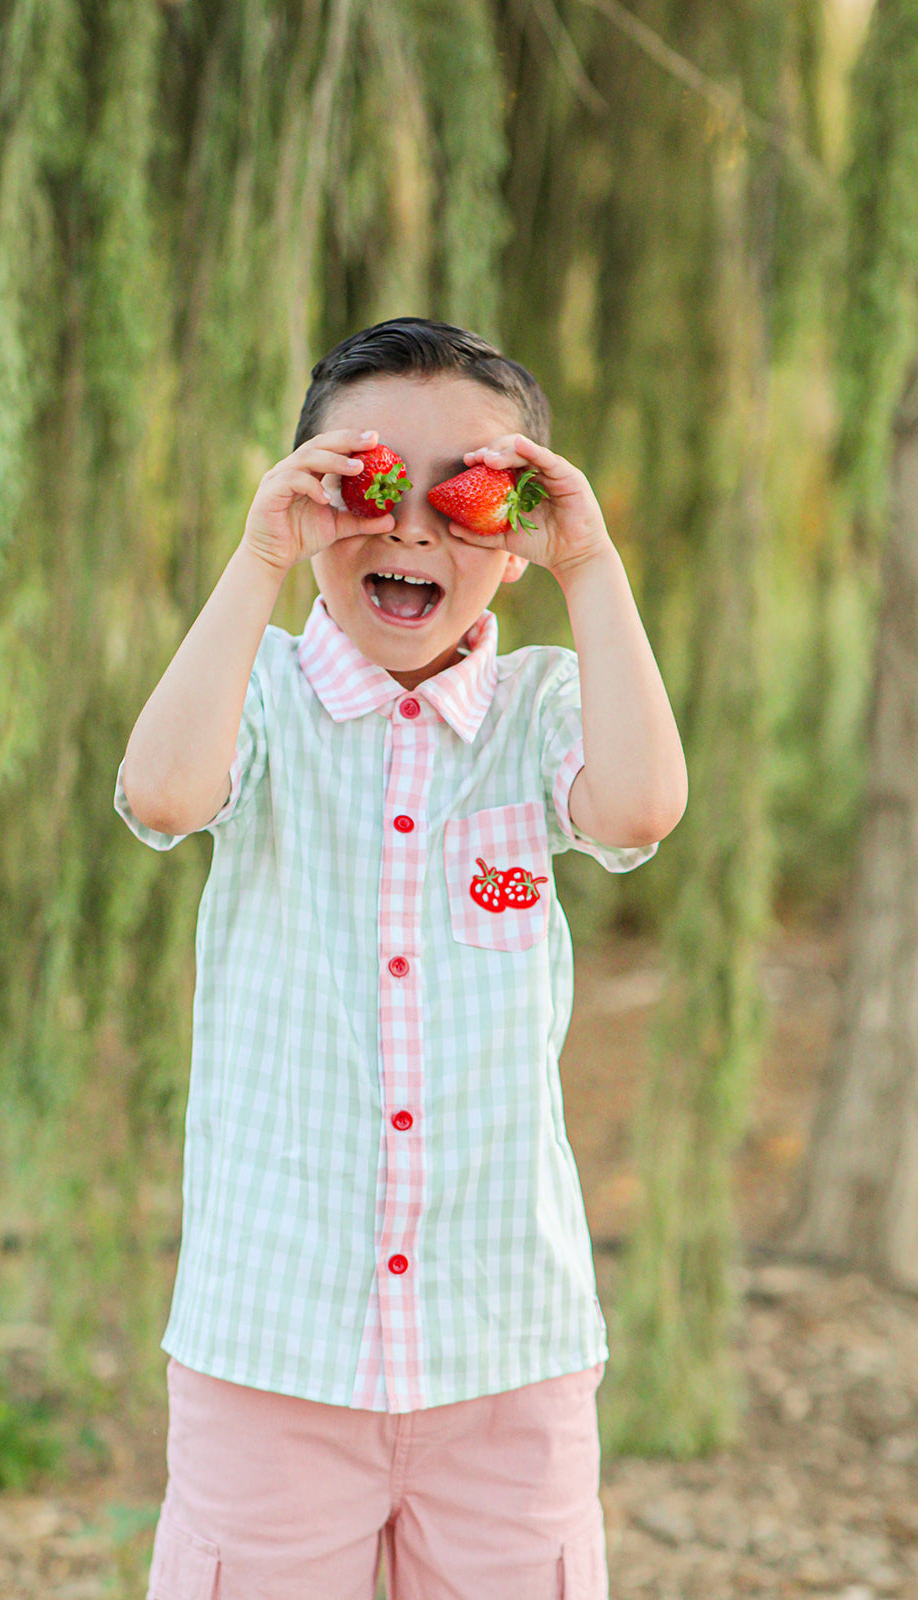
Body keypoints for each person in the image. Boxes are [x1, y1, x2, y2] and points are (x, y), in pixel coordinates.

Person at [116, 317, 687, 1600]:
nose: (415, 528)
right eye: (371, 483)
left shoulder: (541, 712)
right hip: (272, 1342)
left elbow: (640, 808)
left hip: (501, 1339)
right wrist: (260, 555)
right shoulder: (256, 697)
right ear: (313, 495)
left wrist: (591, 563)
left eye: (464, 495)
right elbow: (159, 793)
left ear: (518, 534)